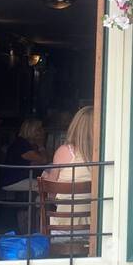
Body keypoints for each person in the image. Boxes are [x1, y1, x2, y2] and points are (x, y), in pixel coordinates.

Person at [43, 106, 94, 249]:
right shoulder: (103, 153)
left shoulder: (64, 152)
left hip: (64, 227)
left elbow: (51, 194)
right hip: (96, 226)